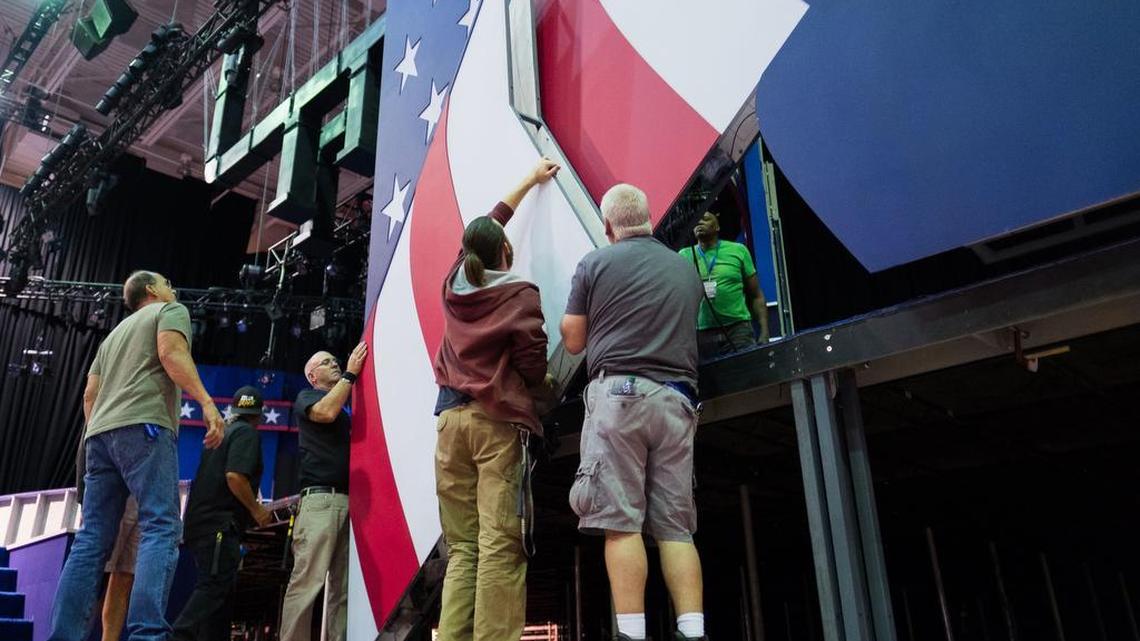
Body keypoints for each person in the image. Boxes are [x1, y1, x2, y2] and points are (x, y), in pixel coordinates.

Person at [560, 184, 708, 641]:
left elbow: (573, 340)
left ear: (608, 226)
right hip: (677, 401)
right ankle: (692, 631)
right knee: (676, 529)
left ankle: (631, 635)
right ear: (649, 218)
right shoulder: (685, 269)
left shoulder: (595, 263)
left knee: (620, 521)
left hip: (619, 396)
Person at [50, 270, 224, 641]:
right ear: (152, 291)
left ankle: (64, 635)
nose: (172, 288)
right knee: (161, 525)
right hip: (144, 427)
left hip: (97, 436)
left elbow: (89, 396)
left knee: (92, 537)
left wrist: (101, 431)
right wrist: (207, 403)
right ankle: (147, 635)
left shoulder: (111, 337)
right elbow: (171, 353)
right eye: (166, 283)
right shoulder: (169, 310)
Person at [432, 158, 558, 641]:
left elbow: (487, 226)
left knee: (463, 548)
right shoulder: (521, 294)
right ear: (507, 251)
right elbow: (531, 366)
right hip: (495, 425)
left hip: (448, 425)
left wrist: (525, 181)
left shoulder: (451, 286)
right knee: (500, 545)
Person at [279, 343, 368, 641]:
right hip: (320, 501)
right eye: (327, 362)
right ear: (312, 376)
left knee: (343, 589)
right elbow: (326, 412)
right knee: (308, 582)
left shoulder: (345, 407)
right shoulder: (308, 397)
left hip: (349, 502)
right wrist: (351, 374)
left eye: (335, 360)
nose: (335, 364)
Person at [172, 385, 272, 641]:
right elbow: (235, 477)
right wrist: (257, 509)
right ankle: (177, 637)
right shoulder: (247, 434)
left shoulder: (221, 432)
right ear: (259, 416)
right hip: (219, 526)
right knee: (214, 588)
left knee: (220, 600)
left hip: (200, 524)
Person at [678, 211, 769, 360]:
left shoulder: (738, 250)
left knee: (746, 378)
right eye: (696, 220)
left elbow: (756, 295)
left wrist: (764, 331)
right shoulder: (684, 255)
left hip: (738, 331)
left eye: (705, 219)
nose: (699, 222)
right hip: (701, 335)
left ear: (717, 226)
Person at [74, 444, 139, 641]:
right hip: (110, 486)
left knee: (125, 574)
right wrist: (83, 493)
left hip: (143, 490)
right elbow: (91, 430)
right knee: (95, 575)